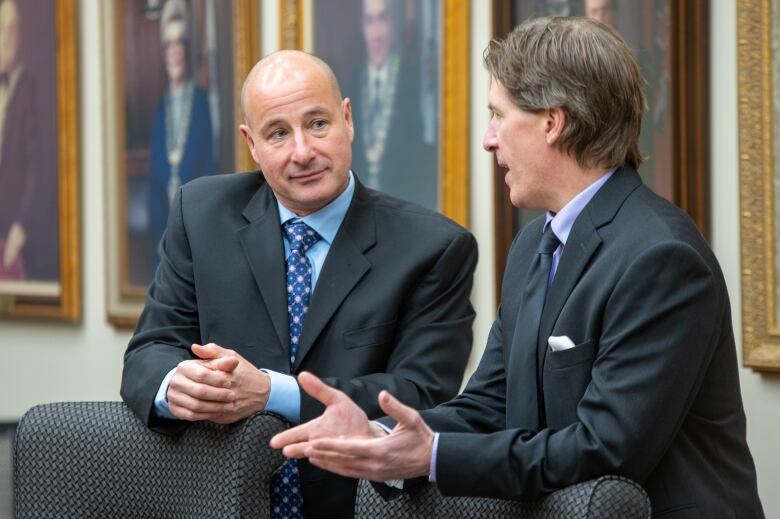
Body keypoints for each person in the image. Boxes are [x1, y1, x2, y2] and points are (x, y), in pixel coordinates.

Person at [271, 17, 765, 518]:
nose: (488, 140)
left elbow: (605, 448)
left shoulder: (663, 259)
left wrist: (434, 456)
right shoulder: (534, 243)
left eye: (498, 115)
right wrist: (382, 435)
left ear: (553, 123)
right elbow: (490, 402)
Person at [121, 49, 477, 518]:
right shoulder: (201, 214)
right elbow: (148, 353)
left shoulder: (433, 247)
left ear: (348, 119)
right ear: (252, 143)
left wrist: (273, 393)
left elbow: (421, 395)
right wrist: (178, 384)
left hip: (356, 507)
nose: (302, 152)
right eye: (278, 133)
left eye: (317, 124)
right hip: (221, 501)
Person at [347, 0, 437, 210]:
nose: (376, 34)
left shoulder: (413, 80)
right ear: (362, 27)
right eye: (370, 21)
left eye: (382, 19)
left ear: (394, 23)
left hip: (402, 207)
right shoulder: (354, 81)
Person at [147, 0, 214, 271]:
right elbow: (155, 177)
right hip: (163, 230)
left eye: (179, 45)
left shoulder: (200, 102)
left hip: (196, 229)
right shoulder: (160, 109)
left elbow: (209, 167)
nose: (174, 53)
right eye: (168, 47)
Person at [0, 0, 56, 281]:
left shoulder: (28, 87)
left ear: (19, 37)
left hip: (18, 238)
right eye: (1, 29)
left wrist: (20, 226)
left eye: (11, 30)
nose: (5, 39)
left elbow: (38, 165)